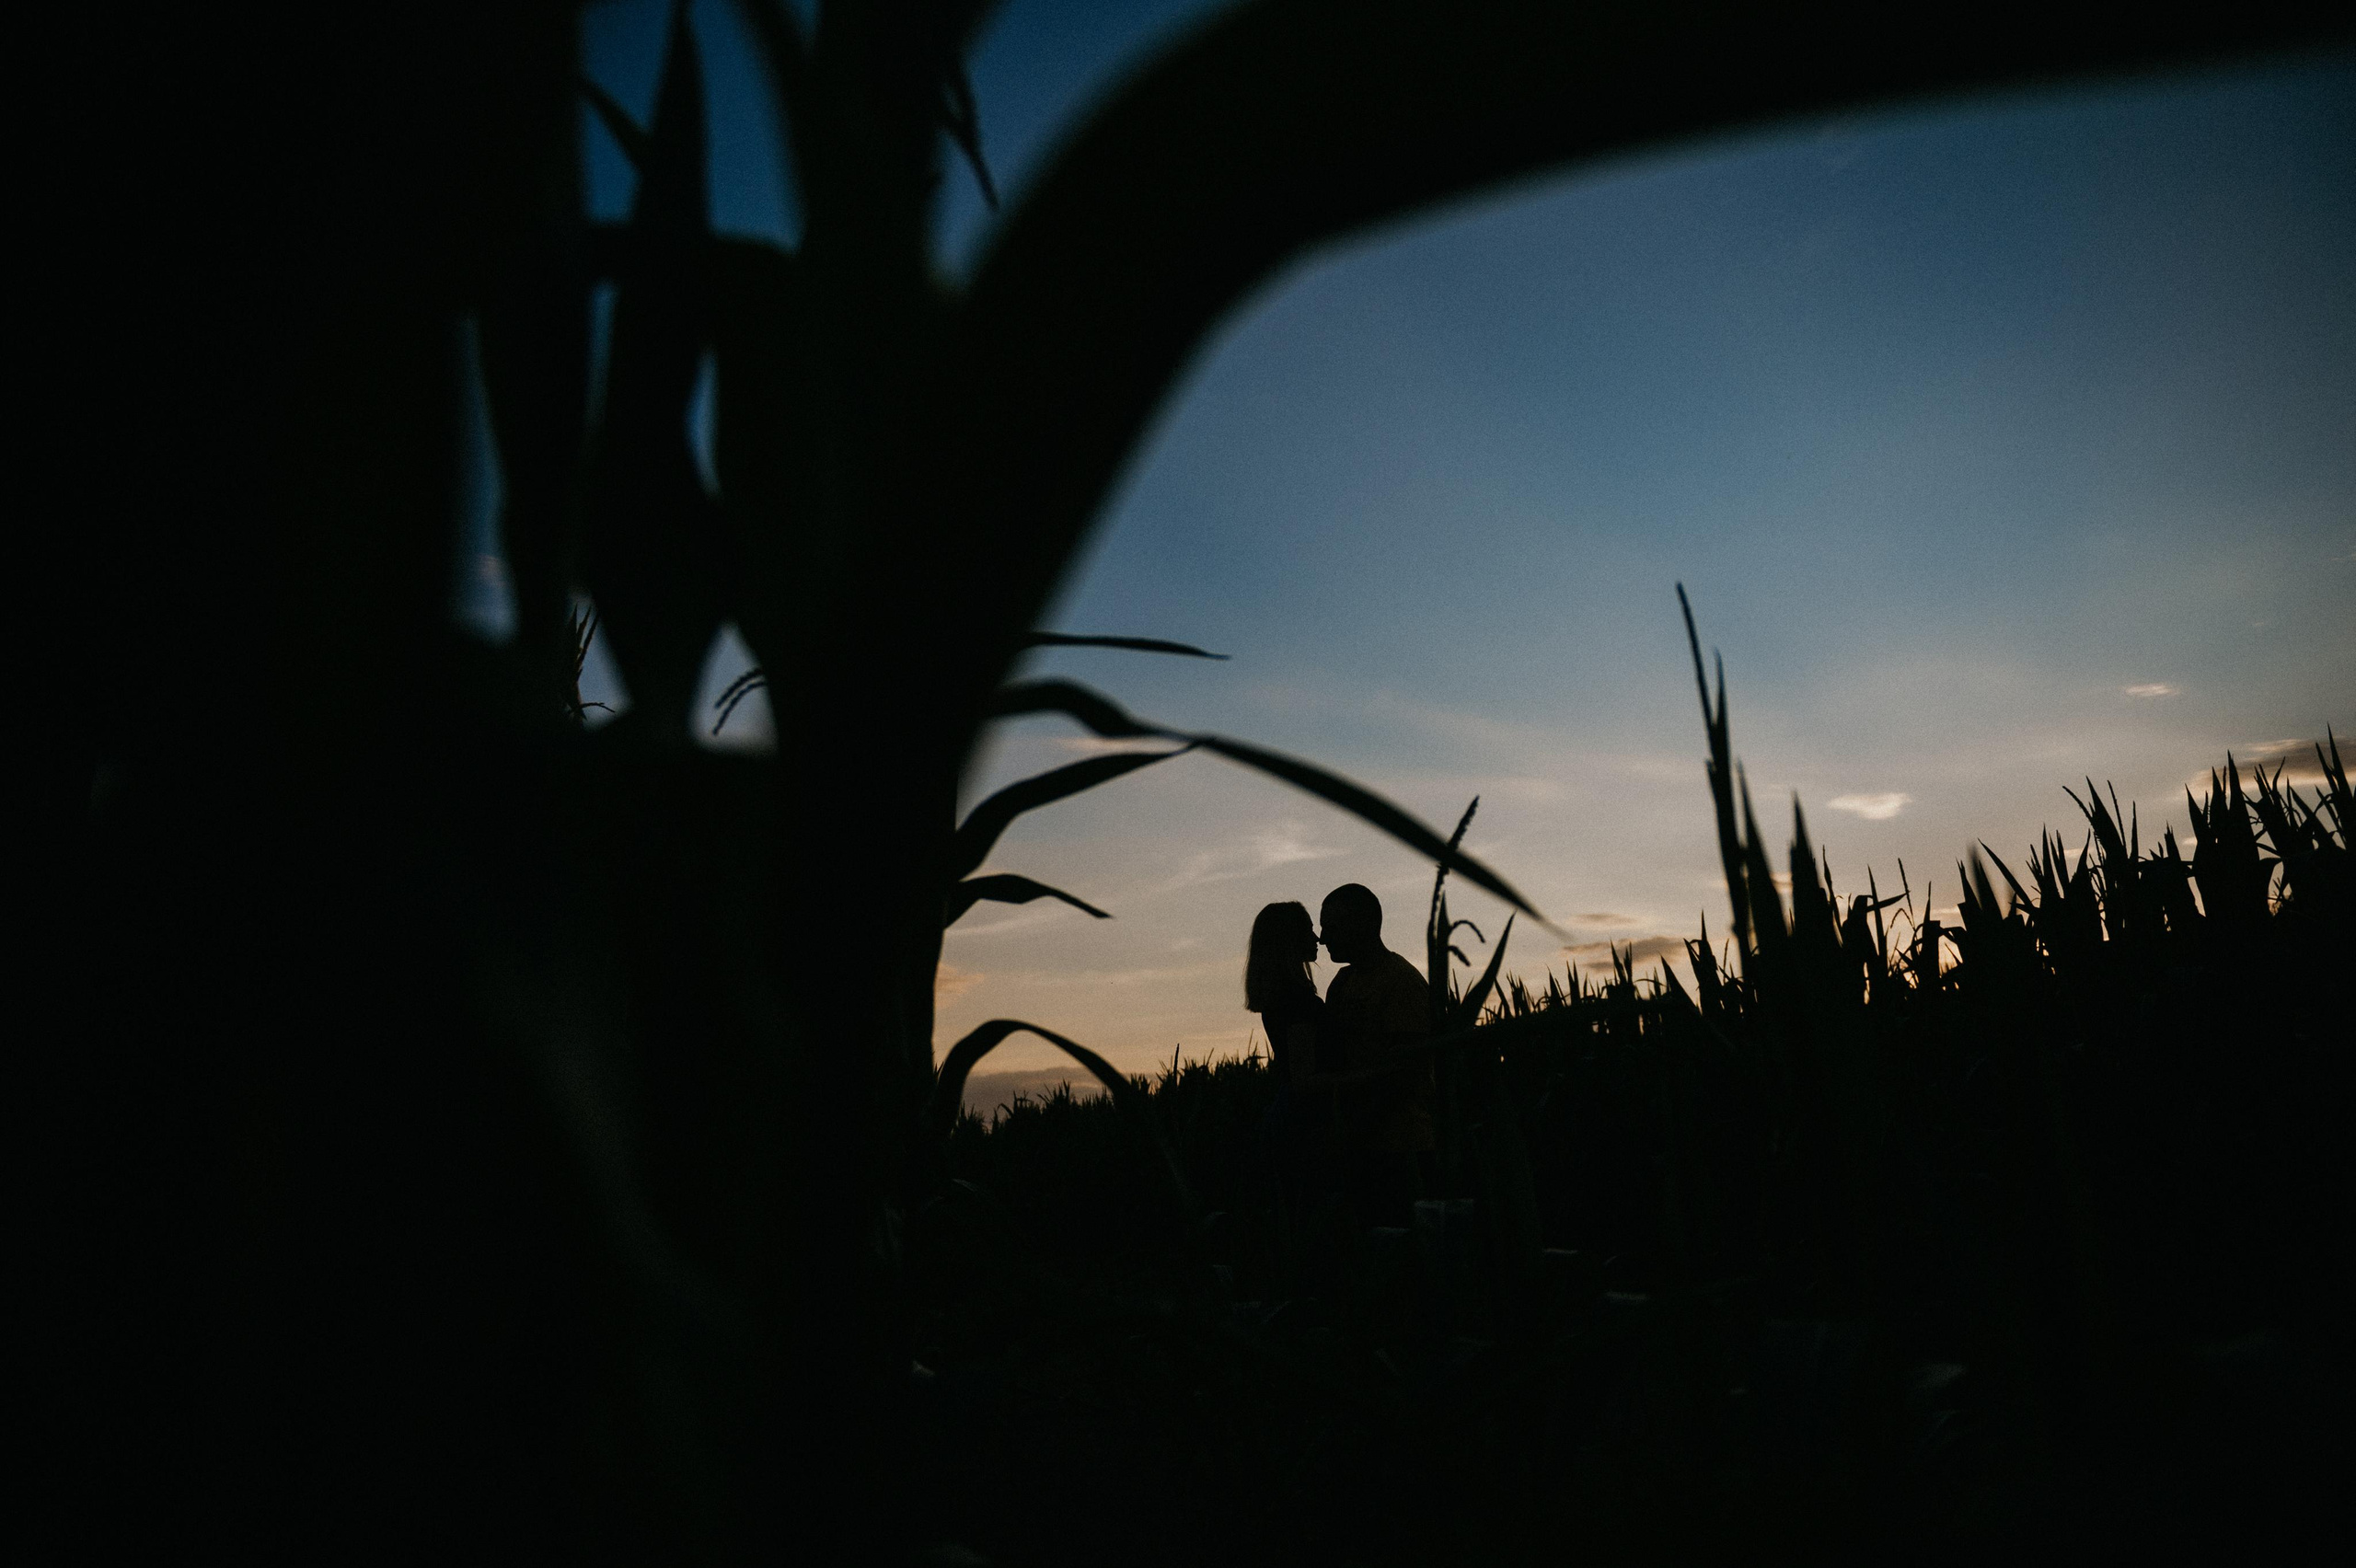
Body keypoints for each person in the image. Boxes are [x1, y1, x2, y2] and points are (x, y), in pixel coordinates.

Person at [1316, 882, 1435, 1229]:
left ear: (1363, 925)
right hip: (1360, 1148)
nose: (1322, 939)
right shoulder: (1341, 983)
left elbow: (1407, 1071)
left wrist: (1354, 1128)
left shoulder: (1401, 982)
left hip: (1402, 1148)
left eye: (1331, 926)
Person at [1244, 901, 1334, 1214]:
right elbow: (1305, 1081)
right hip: (1305, 1127)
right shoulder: (1296, 1002)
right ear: (1290, 939)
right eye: (1308, 930)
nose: (1318, 938)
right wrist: (1375, 1073)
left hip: (1289, 1118)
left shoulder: (1282, 998)